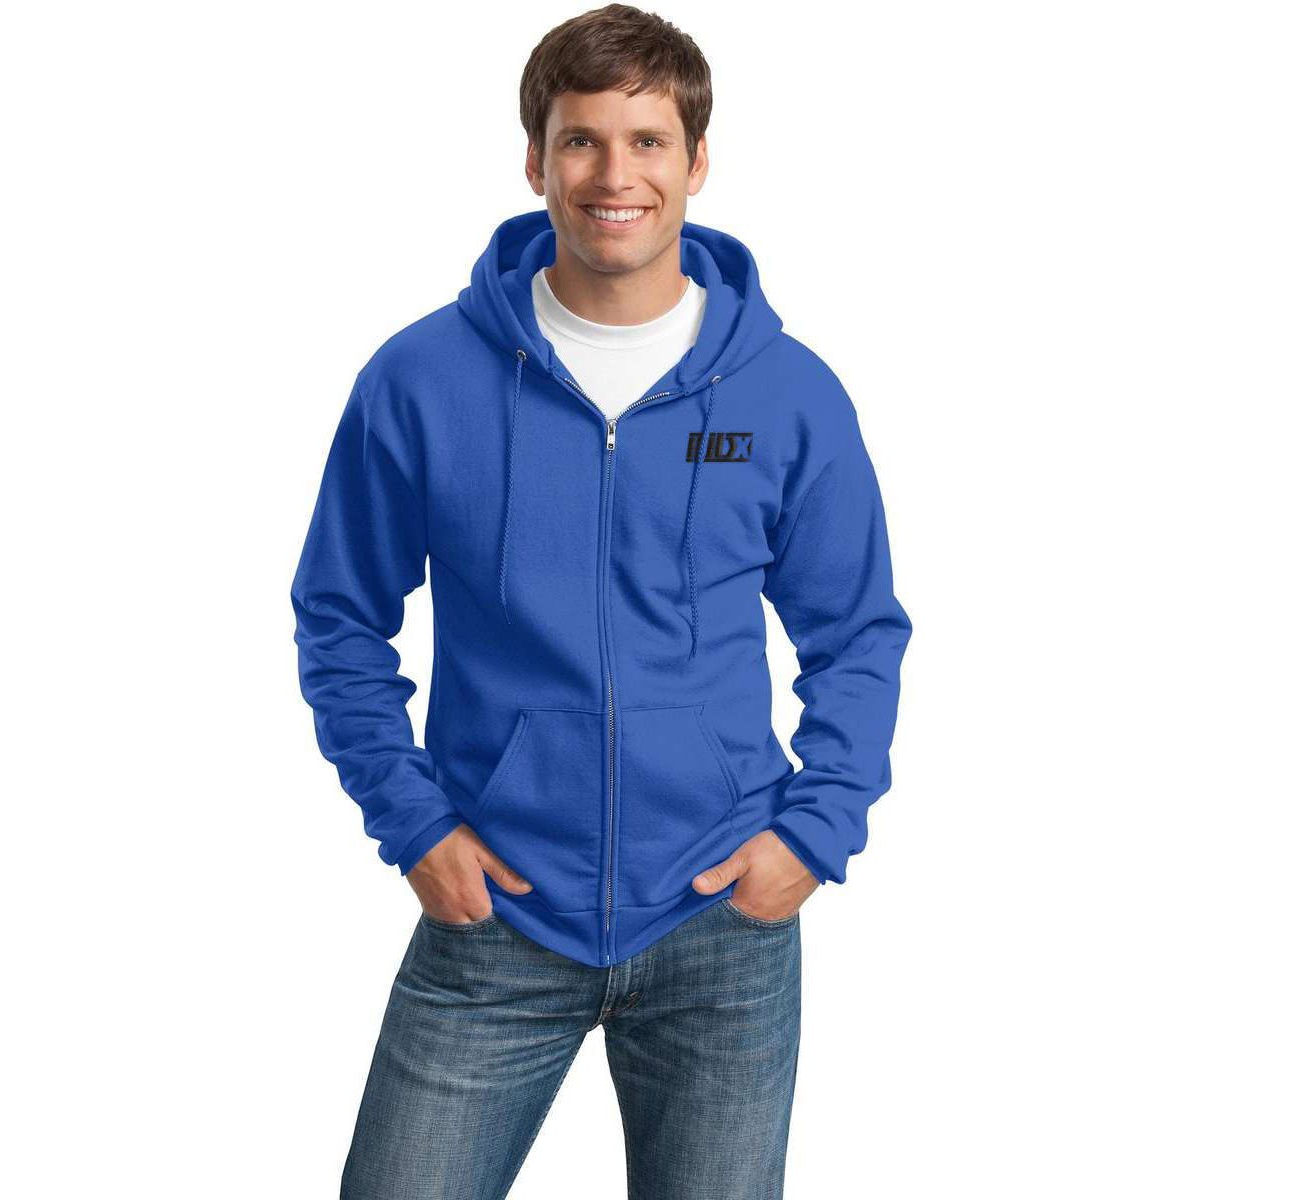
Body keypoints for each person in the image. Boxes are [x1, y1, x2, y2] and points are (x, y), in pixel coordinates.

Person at [290, 5, 912, 1196]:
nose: (613, 175)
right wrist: (412, 824)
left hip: (719, 922)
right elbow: (339, 616)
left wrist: (813, 834)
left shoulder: (784, 396)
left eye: (646, 141)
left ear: (695, 161)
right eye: (580, 140)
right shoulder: (419, 380)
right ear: (535, 161)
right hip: (496, 914)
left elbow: (855, 634)